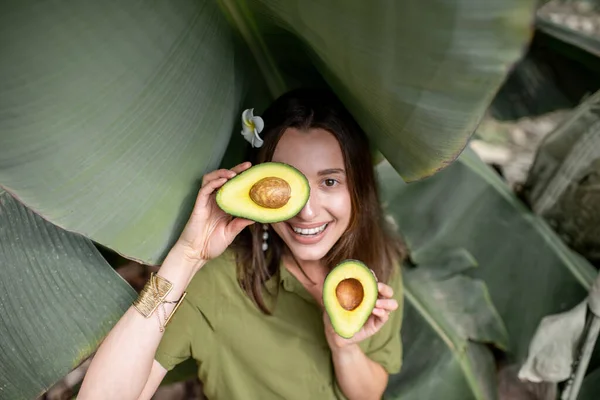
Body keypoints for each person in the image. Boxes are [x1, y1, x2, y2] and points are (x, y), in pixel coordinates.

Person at [79, 87, 406, 400]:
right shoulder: (215, 285)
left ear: (358, 188)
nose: (306, 212)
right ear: (259, 186)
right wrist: (188, 256)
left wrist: (344, 345)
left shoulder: (378, 263)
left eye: (330, 181)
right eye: (287, 183)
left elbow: (370, 393)